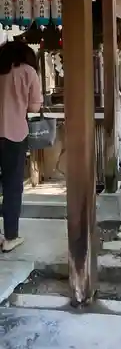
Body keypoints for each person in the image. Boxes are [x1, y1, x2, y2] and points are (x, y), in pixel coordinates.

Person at [0, 40, 43, 252]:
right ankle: (10, 237)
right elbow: (35, 105)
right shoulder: (28, 72)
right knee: (12, 186)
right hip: (13, 135)